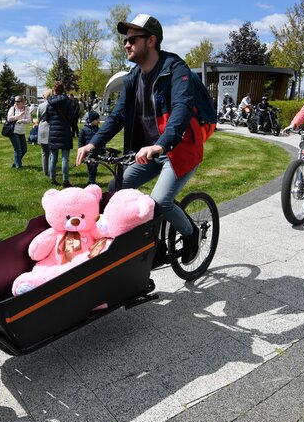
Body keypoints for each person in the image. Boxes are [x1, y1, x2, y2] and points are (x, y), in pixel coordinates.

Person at [75, 13, 217, 263]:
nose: (126, 44)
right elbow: (118, 116)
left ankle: (191, 232)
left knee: (161, 200)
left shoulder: (175, 69)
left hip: (178, 148)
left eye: (132, 39)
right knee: (115, 189)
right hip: (148, 151)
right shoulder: (132, 78)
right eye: (125, 41)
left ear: (151, 40)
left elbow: (182, 109)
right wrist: (93, 143)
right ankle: (143, 245)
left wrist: (161, 145)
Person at [45, 81, 79, 187]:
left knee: (53, 157)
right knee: (65, 158)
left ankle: (52, 178)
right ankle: (65, 180)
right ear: (63, 89)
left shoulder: (49, 103)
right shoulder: (67, 102)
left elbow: (47, 118)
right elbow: (72, 118)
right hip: (64, 131)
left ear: (54, 90)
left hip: (53, 132)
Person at [6, 96, 31, 169]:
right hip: (14, 131)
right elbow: (9, 118)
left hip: (22, 131)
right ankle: (18, 166)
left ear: (23, 102)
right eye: (15, 101)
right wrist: (18, 116)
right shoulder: (12, 108)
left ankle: (15, 162)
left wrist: (22, 120)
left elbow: (29, 120)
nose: (16, 103)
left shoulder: (26, 109)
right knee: (18, 149)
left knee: (24, 149)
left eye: (18, 101)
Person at [79, 110, 100, 185]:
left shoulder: (98, 130)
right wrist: (82, 152)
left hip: (97, 152)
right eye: (97, 119)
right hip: (88, 153)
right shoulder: (84, 130)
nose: (98, 121)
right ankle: (91, 181)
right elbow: (81, 143)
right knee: (91, 167)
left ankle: (92, 180)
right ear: (92, 120)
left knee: (95, 167)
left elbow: (102, 141)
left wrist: (103, 150)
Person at [36, 89, 52, 177]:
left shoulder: (40, 106)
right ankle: (50, 170)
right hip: (50, 128)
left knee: (44, 152)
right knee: (51, 152)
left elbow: (38, 117)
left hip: (42, 128)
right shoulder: (54, 105)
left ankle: (45, 170)